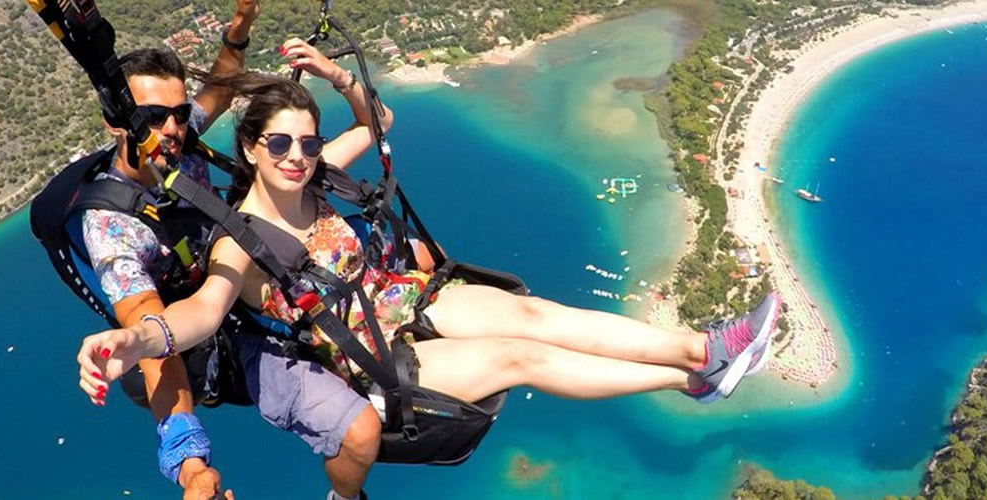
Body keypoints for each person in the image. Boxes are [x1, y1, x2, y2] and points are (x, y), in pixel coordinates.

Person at [72, 68, 781, 449]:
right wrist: (134, 341)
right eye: (281, 144)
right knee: (520, 357)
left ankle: (703, 348)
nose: (298, 156)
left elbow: (376, 122)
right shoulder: (239, 238)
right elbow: (200, 315)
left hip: (406, 296)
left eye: (308, 143)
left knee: (533, 313)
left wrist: (335, 76)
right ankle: (688, 380)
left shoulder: (314, 177)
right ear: (253, 148)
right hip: (375, 359)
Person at [71, 10, 382, 499]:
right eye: (153, 117)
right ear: (117, 122)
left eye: (178, 113)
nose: (171, 127)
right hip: (213, 331)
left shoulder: (173, 141)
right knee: (357, 429)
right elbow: (155, 339)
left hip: (245, 263)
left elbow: (218, 86)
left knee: (413, 256)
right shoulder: (113, 228)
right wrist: (192, 467)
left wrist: (241, 22)